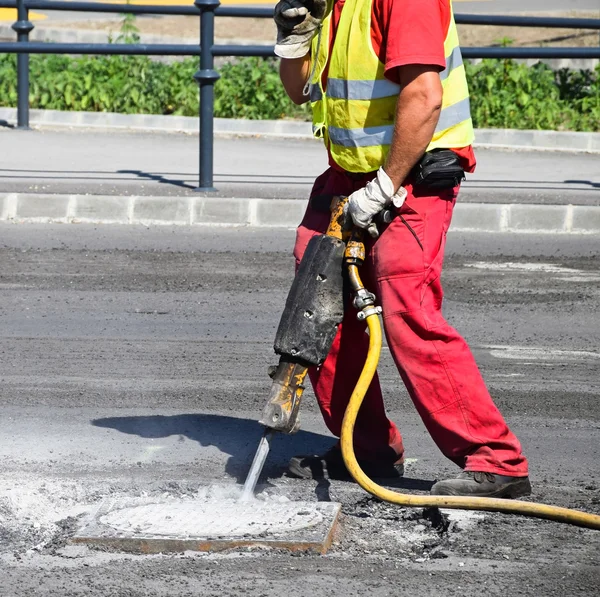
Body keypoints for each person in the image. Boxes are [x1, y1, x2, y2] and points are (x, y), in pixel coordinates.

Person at [273, 0, 531, 498]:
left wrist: (384, 189)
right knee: (318, 299)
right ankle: (365, 447)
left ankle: (496, 461)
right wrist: (294, 35)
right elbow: (297, 89)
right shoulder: (333, 5)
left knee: (406, 309)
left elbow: (424, 94)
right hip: (352, 173)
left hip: (413, 175)